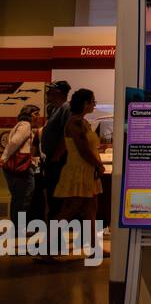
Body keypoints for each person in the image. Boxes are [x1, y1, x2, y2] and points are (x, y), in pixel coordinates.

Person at [53, 88, 104, 229]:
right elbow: (84, 150)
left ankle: (93, 247)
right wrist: (98, 165)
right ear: (85, 103)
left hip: (87, 171)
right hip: (79, 172)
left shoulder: (82, 122)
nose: (94, 105)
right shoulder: (75, 123)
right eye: (93, 101)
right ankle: (47, 241)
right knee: (70, 210)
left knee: (91, 210)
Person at [39, 80, 71, 221]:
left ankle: (55, 238)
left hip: (58, 161)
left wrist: (57, 156)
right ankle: (53, 236)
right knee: (51, 198)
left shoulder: (66, 108)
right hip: (52, 159)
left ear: (58, 92)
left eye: (50, 90)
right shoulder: (56, 109)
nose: (47, 93)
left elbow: (66, 134)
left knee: (56, 199)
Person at [2, 104, 40, 220]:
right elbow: (14, 142)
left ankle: (17, 226)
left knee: (18, 198)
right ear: (29, 115)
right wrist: (5, 157)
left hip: (13, 167)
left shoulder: (19, 125)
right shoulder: (25, 125)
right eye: (36, 114)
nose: (38, 117)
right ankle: (20, 227)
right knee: (24, 197)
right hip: (21, 167)